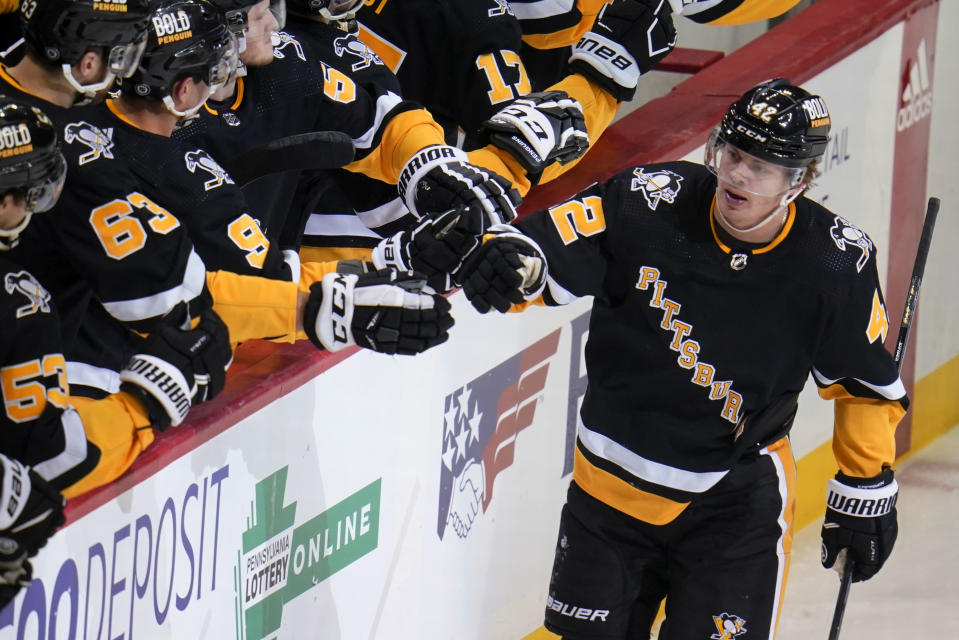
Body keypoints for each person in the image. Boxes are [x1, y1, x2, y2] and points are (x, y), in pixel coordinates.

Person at [452, 79, 906, 639]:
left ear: (801, 180)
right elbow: (550, 246)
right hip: (608, 497)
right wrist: (514, 263)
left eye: (760, 166)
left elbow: (861, 383)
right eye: (733, 154)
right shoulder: (649, 200)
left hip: (734, 507)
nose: (737, 175)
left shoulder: (833, 264)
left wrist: (864, 487)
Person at [6, 0, 452, 497]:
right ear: (89, 62)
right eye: (123, 53)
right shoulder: (97, 165)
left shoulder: (56, 120)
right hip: (56, 374)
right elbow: (190, 303)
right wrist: (143, 406)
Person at [0, 95, 231, 609]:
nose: (33, 205)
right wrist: (144, 403)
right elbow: (53, 457)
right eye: (25, 192)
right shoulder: (18, 302)